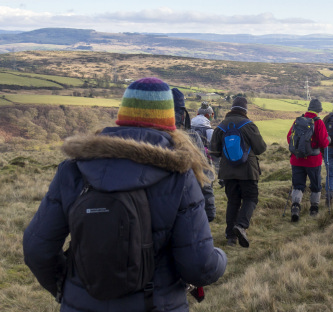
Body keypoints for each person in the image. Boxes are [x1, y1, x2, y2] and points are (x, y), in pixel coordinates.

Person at [23, 77, 227, 312]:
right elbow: (199, 266)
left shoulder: (73, 169)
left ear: (123, 115)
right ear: (169, 121)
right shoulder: (179, 176)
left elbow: (36, 249)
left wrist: (66, 288)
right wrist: (221, 258)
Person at [209, 97, 267, 248]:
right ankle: (241, 226)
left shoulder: (220, 127)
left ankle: (230, 238)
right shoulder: (248, 125)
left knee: (233, 201)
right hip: (247, 171)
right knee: (251, 198)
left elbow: (214, 152)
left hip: (227, 172)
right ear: (245, 110)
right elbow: (261, 148)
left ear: (232, 108)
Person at [173, 89, 216, 222]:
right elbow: (202, 172)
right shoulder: (192, 134)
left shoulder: (142, 137)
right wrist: (210, 208)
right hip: (187, 201)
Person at [287, 99, 329, 222]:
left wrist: (298, 150)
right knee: (315, 185)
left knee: (298, 186)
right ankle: (314, 209)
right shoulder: (319, 122)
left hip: (297, 159)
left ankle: (295, 206)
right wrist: (328, 140)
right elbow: (323, 142)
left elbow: (289, 137)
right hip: (313, 161)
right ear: (319, 111)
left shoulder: (298, 120)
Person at [191, 102, 222, 187]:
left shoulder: (188, 128)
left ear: (197, 114)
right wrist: (221, 175)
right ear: (208, 116)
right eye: (212, 114)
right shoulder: (210, 131)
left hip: (190, 166)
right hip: (205, 167)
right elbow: (215, 153)